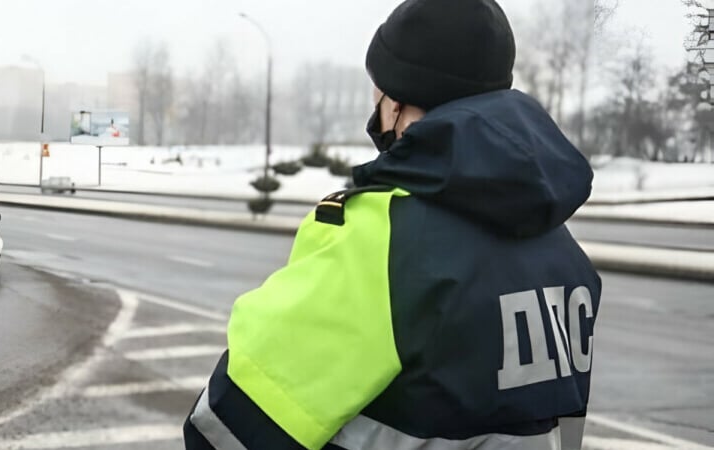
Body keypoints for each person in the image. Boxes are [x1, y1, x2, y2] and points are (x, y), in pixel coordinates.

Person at [183, 0, 602, 449]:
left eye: (379, 97)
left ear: (398, 102)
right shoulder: (564, 254)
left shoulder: (383, 241)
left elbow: (225, 427)